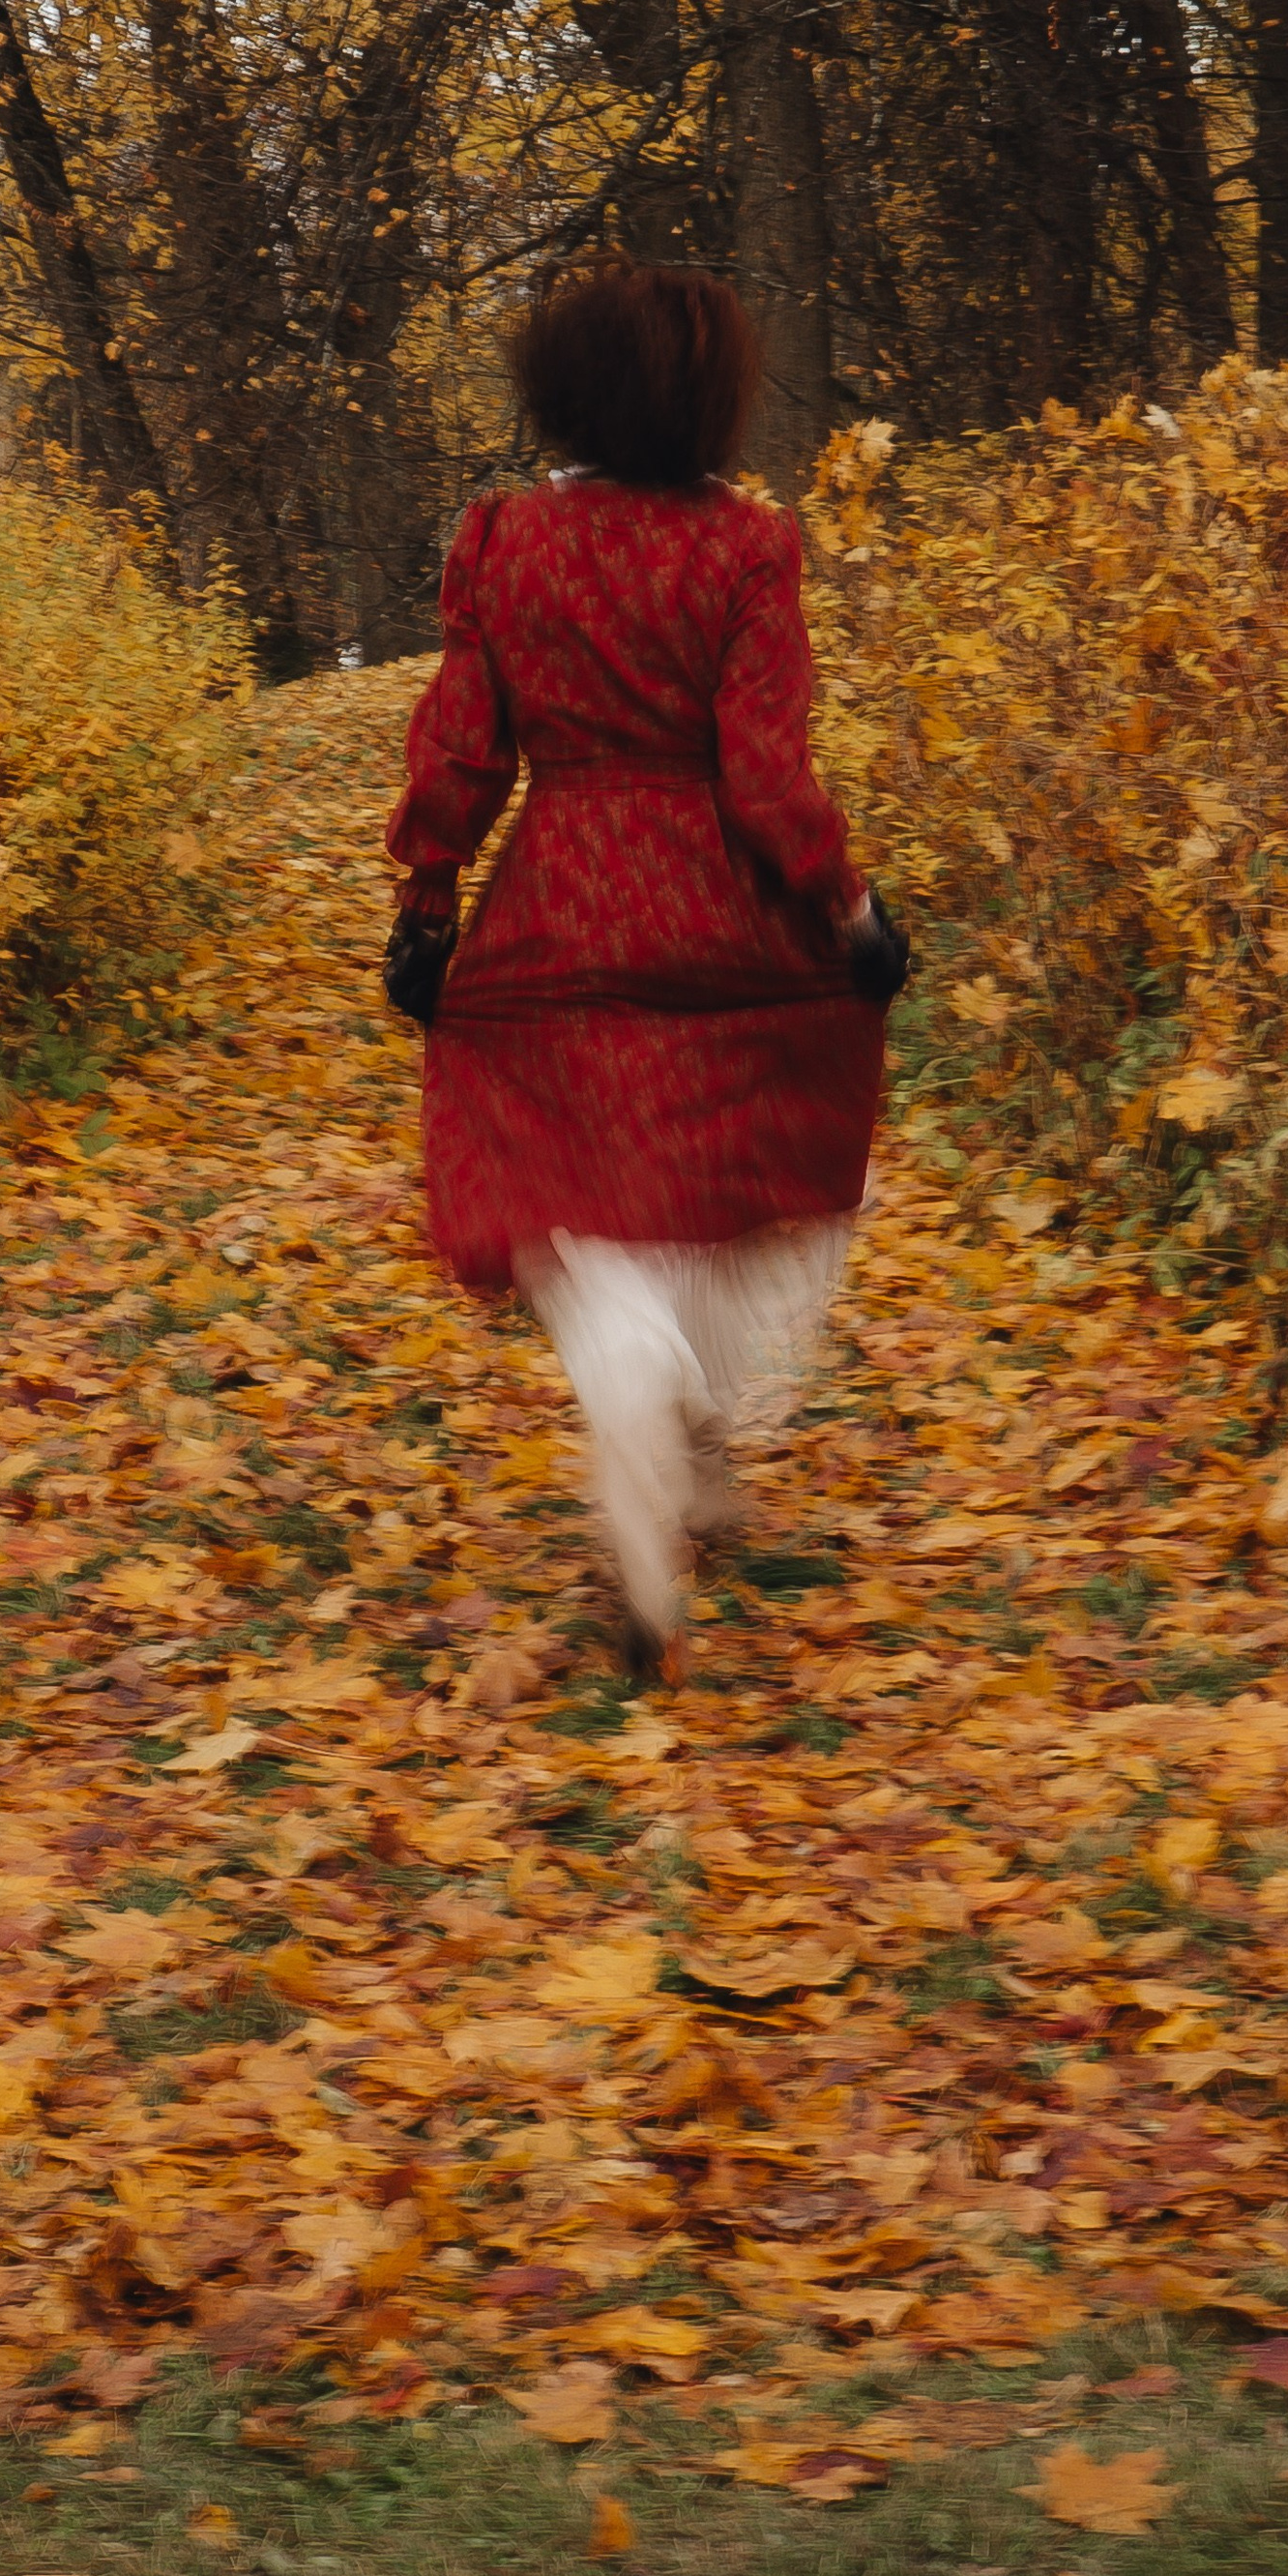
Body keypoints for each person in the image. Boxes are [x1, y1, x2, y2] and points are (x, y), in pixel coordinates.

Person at [381, 260, 909, 1682]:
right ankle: (687, 1409)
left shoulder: (504, 542)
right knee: (741, 1173)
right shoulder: (747, 550)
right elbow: (764, 773)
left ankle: (649, 1411)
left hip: (559, 904)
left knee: (590, 1191)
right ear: (710, 396)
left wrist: (430, 904)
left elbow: (464, 744)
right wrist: (850, 912)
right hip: (728, 916)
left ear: (565, 387)